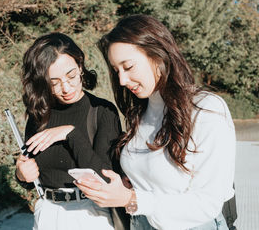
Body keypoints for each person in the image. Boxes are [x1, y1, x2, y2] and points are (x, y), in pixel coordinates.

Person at [75, 15, 236, 230]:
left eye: (128, 66)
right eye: (116, 71)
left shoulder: (207, 110)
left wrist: (132, 199)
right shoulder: (141, 112)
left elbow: (208, 203)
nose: (122, 80)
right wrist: (124, 185)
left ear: (158, 55)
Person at [15, 32, 122, 230]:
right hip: (48, 213)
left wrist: (70, 134)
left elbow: (105, 178)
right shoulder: (39, 114)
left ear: (80, 65)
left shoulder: (102, 112)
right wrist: (22, 175)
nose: (66, 88)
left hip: (91, 214)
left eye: (71, 75)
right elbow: (31, 178)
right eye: (54, 82)